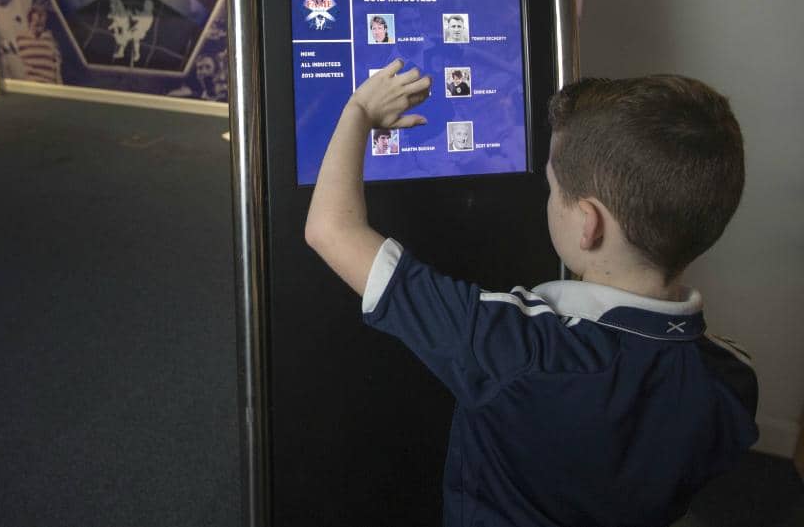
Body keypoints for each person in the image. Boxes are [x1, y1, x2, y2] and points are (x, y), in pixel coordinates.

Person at [304, 65, 757, 527]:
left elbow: (330, 229)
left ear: (588, 224)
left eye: (552, 185)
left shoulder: (517, 351)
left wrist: (359, 110)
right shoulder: (734, 378)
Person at [15, 4, 61, 84]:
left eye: (42, 24)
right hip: (31, 85)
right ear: (30, 23)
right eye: (36, 24)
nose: (39, 27)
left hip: (49, 85)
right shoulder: (20, 39)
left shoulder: (51, 40)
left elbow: (57, 68)